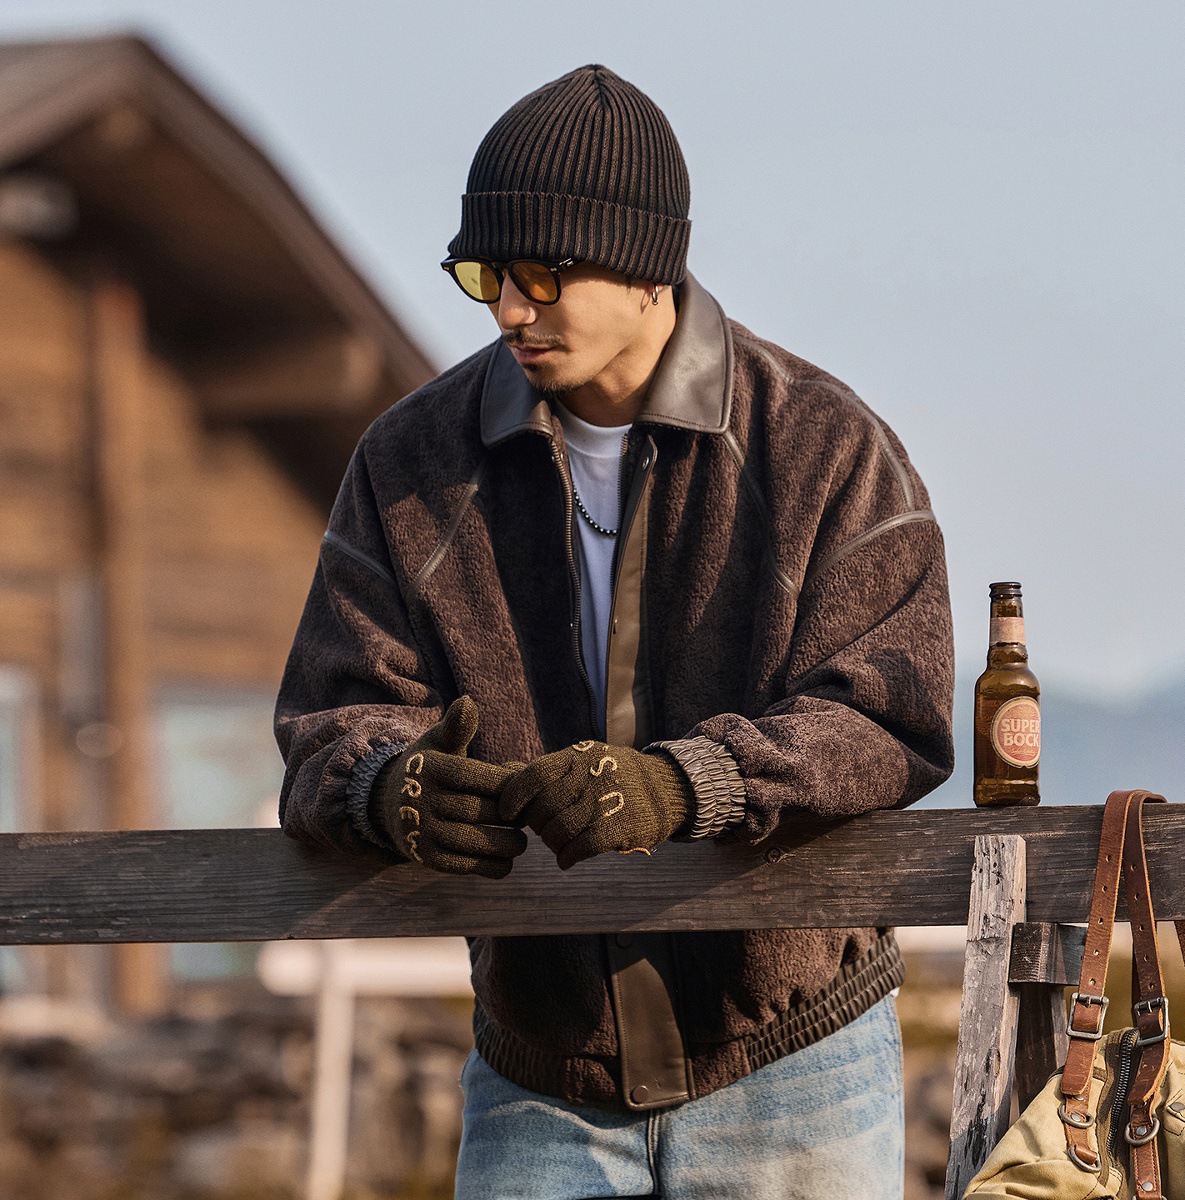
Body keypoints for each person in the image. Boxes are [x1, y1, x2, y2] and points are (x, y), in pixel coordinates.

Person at [275, 63, 954, 1200]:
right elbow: (328, 718)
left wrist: (687, 784)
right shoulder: (408, 464)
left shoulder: (825, 447)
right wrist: (382, 787)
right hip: (536, 1076)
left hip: (797, 1067)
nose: (508, 312)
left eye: (542, 274)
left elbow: (892, 709)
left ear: (647, 266)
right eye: (486, 275)